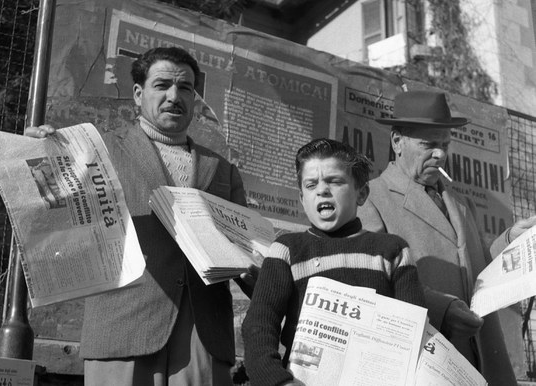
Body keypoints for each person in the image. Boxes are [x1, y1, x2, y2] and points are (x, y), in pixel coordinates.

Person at [26, 47, 257, 386]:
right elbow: (51, 217)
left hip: (202, 336)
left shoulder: (223, 171)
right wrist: (33, 156)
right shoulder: (96, 151)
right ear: (138, 93)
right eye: (162, 85)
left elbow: (247, 255)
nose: (173, 96)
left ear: (194, 98)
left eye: (185, 88)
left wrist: (269, 274)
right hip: (122, 327)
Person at [357, 90, 536, 385]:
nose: (440, 154)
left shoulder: (461, 203)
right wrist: (441, 310)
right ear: (397, 142)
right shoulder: (371, 198)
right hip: (426, 362)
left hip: (479, 361)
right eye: (428, 144)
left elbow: (474, 269)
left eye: (444, 144)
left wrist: (510, 242)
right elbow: (374, 280)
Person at [241, 139, 426, 386]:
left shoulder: (392, 251)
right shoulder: (286, 250)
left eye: (334, 181)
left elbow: (414, 334)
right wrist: (277, 380)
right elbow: (259, 325)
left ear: (362, 194)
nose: (322, 190)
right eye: (311, 184)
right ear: (301, 197)